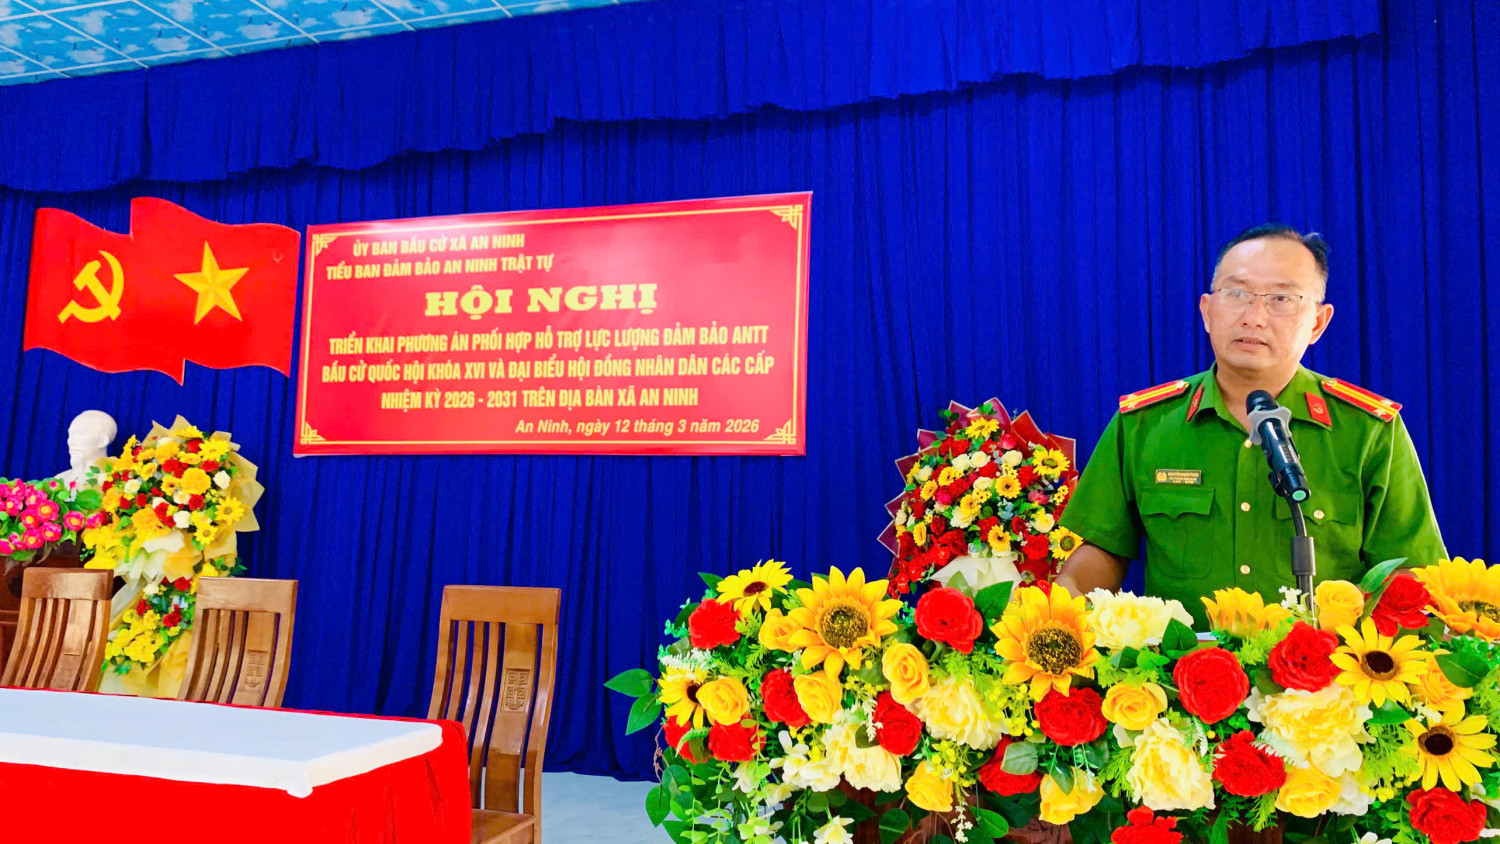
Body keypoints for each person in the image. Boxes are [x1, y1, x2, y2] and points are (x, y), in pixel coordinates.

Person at [1054, 224, 1446, 623]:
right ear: (1207, 311)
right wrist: (1070, 595)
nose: (1254, 317)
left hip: (1325, 663)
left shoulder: (1368, 430)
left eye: (1281, 299)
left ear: (1317, 323)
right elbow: (1103, 547)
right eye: (1237, 294)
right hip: (1178, 662)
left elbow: (1410, 571)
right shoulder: (1144, 424)